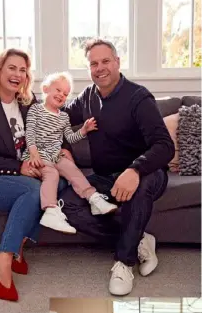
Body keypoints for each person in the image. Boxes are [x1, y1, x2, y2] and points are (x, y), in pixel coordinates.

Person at [60, 38, 175, 296]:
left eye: (105, 61)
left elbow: (164, 146)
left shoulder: (138, 97)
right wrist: (62, 145)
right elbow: (59, 118)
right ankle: (139, 240)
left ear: (117, 62)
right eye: (93, 64)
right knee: (65, 204)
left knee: (139, 188)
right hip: (105, 178)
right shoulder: (87, 96)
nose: (100, 68)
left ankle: (124, 262)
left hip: (146, 174)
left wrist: (135, 170)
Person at [0, 48, 67, 302]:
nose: (17, 74)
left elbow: (54, 132)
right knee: (33, 190)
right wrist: (18, 167)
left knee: (59, 182)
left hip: (26, 174)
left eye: (23, 70)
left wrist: (65, 151)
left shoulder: (29, 105)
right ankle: (3, 257)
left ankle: (18, 247)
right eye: (12, 67)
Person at [21, 72, 118, 234]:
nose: (61, 95)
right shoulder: (35, 110)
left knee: (72, 169)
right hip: (37, 156)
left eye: (65, 94)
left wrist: (84, 130)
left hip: (56, 155)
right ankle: (51, 210)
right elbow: (29, 133)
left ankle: (93, 199)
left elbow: (71, 138)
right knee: (51, 174)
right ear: (45, 89)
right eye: (58, 90)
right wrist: (33, 152)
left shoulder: (64, 117)